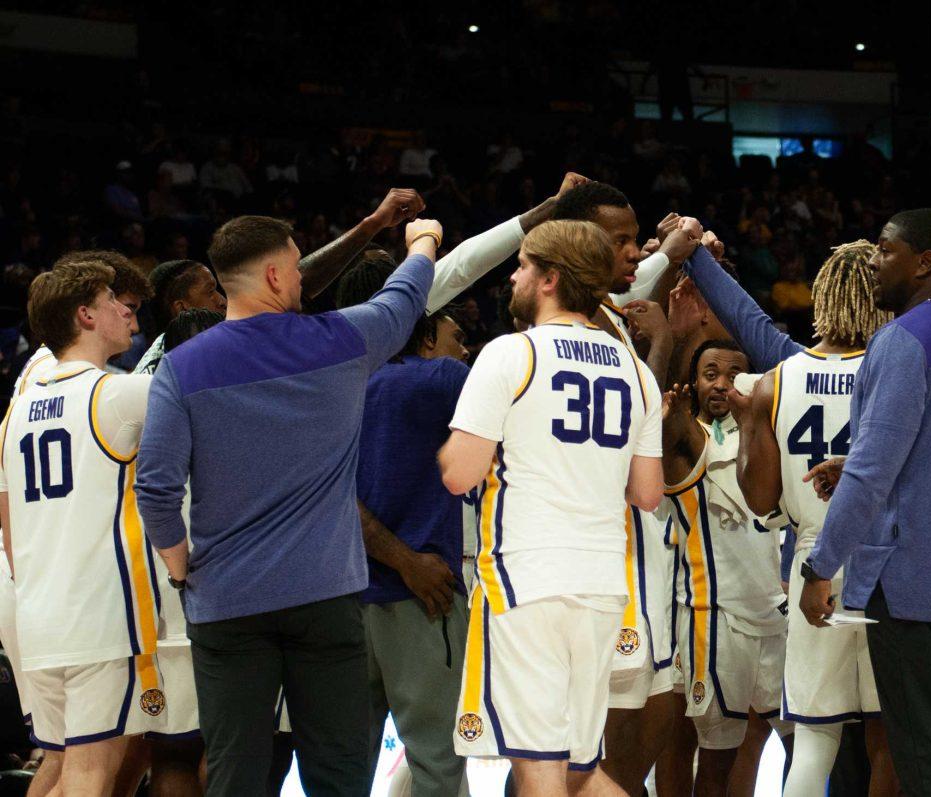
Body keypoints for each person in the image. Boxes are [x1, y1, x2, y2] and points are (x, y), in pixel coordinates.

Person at [134, 207, 437, 796]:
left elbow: (157, 486)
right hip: (325, 597)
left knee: (236, 773)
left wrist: (179, 566)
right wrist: (423, 242)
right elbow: (402, 300)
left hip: (225, 602)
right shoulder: (342, 341)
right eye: (297, 267)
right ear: (275, 277)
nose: (303, 279)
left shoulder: (181, 367)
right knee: (339, 770)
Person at [438, 219, 664, 796]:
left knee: (540, 774)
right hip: (601, 584)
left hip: (525, 579)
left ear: (550, 278)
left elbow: (460, 474)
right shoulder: (635, 369)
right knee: (580, 774)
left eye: (522, 266)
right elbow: (647, 493)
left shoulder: (510, 353)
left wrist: (450, 451)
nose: (513, 276)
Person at [796, 209, 931, 796]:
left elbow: (870, 473)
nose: (872, 261)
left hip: (917, 578)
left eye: (885, 251)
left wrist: (820, 567)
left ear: (925, 262)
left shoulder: (901, 339)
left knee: (928, 754)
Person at [725, 240, 898, 797]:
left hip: (812, 558)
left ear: (823, 295)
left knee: (815, 740)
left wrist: (752, 422)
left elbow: (760, 501)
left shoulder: (775, 380)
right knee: (885, 738)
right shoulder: (894, 368)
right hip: (887, 558)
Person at [551, 183, 698, 794]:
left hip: (637, 538)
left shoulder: (610, 315)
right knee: (608, 710)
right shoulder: (579, 329)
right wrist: (663, 342)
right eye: (623, 242)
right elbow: (633, 438)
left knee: (663, 690)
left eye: (639, 240)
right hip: (602, 541)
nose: (636, 253)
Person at [0, 259, 161, 795]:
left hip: (37, 613)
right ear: (86, 314)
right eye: (114, 300)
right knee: (92, 771)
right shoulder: (114, 394)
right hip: (95, 615)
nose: (125, 311)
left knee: (58, 766)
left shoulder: (17, 410)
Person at [333, 251, 471, 797]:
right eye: (454, 332)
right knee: (438, 763)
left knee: (340, 769)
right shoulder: (442, 377)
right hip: (422, 595)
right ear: (424, 323)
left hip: (338, 602)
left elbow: (330, 495)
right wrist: (407, 561)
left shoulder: (328, 385)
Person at [659, 340, 789, 796]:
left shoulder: (766, 437)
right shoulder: (679, 432)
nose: (722, 384)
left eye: (734, 375)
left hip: (774, 613)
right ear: (694, 383)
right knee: (711, 753)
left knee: (801, 737)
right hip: (711, 616)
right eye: (710, 373)